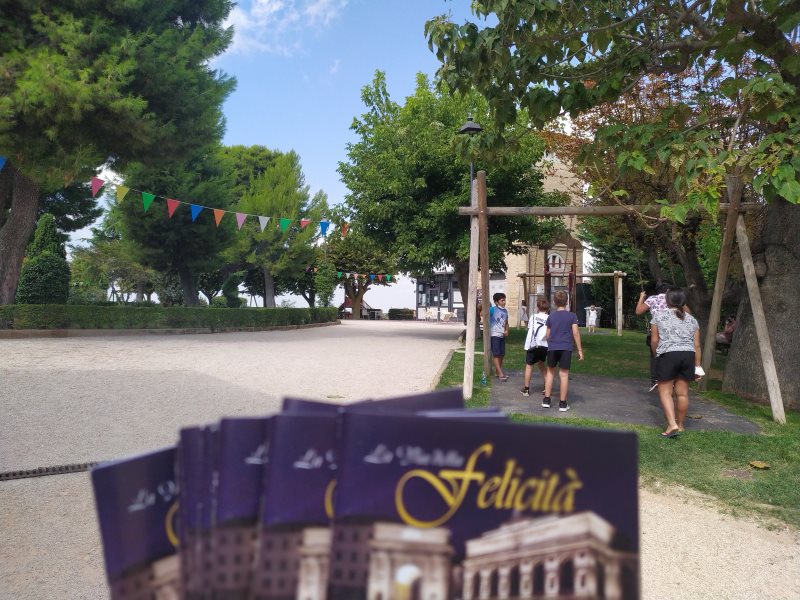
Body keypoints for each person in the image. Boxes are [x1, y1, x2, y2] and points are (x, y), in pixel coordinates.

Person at [650, 288, 702, 438]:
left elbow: (654, 340)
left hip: (668, 355)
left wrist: (656, 354)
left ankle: (671, 423)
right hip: (688, 356)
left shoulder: (658, 316)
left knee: (665, 392)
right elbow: (697, 345)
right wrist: (697, 366)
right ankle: (680, 425)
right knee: (683, 394)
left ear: (667, 301)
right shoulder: (692, 320)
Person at [543, 290, 584, 411]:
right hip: (566, 348)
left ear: (554, 302)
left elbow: (548, 335)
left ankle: (546, 400)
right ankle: (562, 403)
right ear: (567, 302)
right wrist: (580, 350)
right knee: (564, 375)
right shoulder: (572, 316)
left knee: (550, 373)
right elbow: (576, 333)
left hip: (552, 348)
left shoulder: (551, 316)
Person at [636, 281, 673, 392]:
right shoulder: (672, 299)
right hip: (670, 330)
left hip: (656, 330)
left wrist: (641, 297)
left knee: (655, 355)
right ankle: (670, 380)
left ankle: (656, 380)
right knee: (670, 354)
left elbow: (638, 311)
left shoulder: (652, 299)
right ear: (668, 290)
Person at [521, 297, 550, 398]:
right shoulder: (549, 318)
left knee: (529, 366)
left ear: (538, 308)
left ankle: (526, 389)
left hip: (533, 344)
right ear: (548, 308)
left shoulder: (533, 317)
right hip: (544, 345)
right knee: (542, 365)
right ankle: (547, 387)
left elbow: (530, 328)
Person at [489, 292, 510, 381]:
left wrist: (507, 330)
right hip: (494, 335)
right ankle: (500, 373)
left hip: (502, 335)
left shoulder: (505, 311)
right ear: (497, 302)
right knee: (496, 354)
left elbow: (506, 322)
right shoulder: (492, 309)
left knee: (502, 354)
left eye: (504, 300)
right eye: (502, 300)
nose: (504, 302)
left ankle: (498, 371)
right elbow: (482, 314)